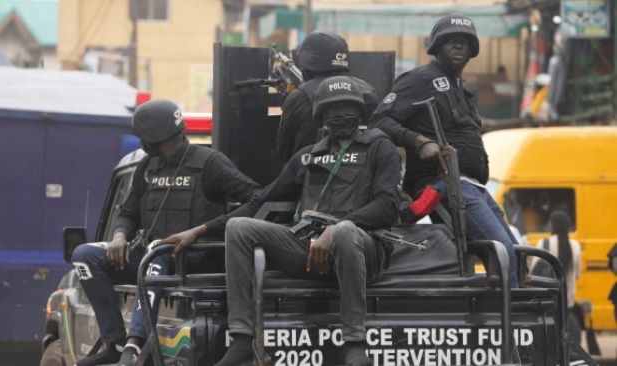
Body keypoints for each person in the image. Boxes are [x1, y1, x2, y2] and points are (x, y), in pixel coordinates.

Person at [211, 76, 401, 366]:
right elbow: (260, 200)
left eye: (348, 108)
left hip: (363, 249)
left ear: (360, 112)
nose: (340, 115)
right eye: (332, 109)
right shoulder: (308, 156)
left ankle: (354, 342)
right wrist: (201, 230)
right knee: (238, 229)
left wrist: (336, 229)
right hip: (310, 249)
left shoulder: (380, 147)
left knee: (346, 231)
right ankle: (243, 338)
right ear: (321, 116)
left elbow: (387, 206)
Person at [70, 99, 259, 366]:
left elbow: (256, 198)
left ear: (153, 136)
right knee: (83, 255)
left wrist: (203, 230)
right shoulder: (146, 167)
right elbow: (128, 212)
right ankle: (115, 343)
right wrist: (119, 236)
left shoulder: (210, 163)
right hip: (152, 253)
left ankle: (134, 347)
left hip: (193, 258)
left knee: (156, 253)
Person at [369, 14, 520, 287]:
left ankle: (510, 313)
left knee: (515, 254)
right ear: (436, 46)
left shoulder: (463, 89)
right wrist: (418, 141)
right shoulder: (419, 79)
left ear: (473, 50)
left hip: (472, 186)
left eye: (464, 42)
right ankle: (512, 321)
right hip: (443, 183)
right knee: (503, 253)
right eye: (451, 41)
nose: (458, 46)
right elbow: (379, 121)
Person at [275, 32, 378, 162]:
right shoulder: (368, 90)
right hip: (363, 178)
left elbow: (283, 152)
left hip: (311, 178)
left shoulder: (300, 96)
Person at [531, 210, 582, 343]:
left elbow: (533, 273)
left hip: (547, 304)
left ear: (552, 225)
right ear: (568, 226)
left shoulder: (544, 243)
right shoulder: (575, 246)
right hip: (567, 305)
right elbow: (577, 275)